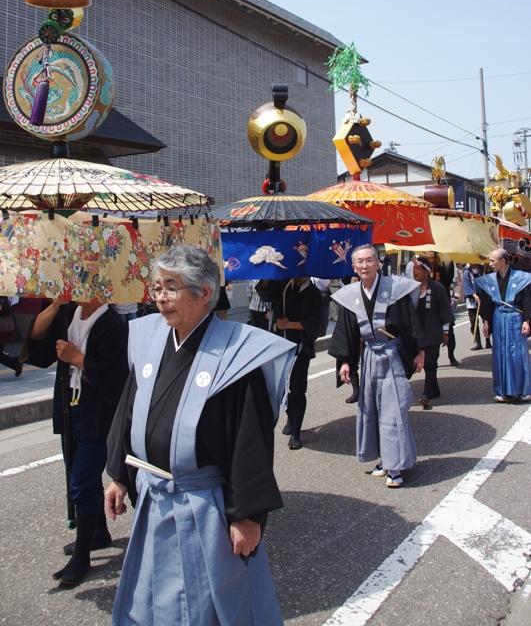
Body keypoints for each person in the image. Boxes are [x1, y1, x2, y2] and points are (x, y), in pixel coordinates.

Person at [105, 246, 296, 626]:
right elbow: (129, 410)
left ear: (204, 292)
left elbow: (250, 441)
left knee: (207, 603)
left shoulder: (237, 354)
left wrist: (247, 516)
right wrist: (119, 475)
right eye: (157, 287)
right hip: (155, 500)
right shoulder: (148, 339)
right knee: (152, 598)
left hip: (204, 506)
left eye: (171, 288)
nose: (161, 298)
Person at [26, 299, 128, 587]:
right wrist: (54, 305)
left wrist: (79, 359)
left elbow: (117, 380)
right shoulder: (68, 313)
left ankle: (82, 554)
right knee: (76, 470)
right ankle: (98, 533)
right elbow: (36, 341)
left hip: (98, 413)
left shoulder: (112, 324)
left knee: (82, 479)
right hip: (69, 407)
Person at [328, 244, 425, 488]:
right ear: (353, 267)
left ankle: (395, 467)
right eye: (359, 262)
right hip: (370, 356)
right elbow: (346, 332)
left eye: (369, 260)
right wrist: (346, 362)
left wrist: (420, 352)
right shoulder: (350, 295)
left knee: (394, 411)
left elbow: (412, 323)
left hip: (392, 355)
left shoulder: (395, 289)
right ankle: (384, 459)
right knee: (372, 411)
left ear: (378, 263)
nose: (365, 265)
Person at [257, 277, 322, 449]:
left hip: (301, 348)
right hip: (279, 346)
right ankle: (290, 418)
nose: (299, 276)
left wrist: (290, 324)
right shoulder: (283, 285)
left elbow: (317, 324)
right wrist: (267, 276)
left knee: (297, 389)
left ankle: (296, 433)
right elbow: (265, 295)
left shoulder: (314, 293)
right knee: (281, 387)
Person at [475, 248, 531, 403]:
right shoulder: (489, 280)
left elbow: (527, 300)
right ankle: (503, 391)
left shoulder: (522, 278)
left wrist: (527, 320)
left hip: (515, 318)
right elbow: (487, 303)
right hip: (498, 317)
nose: (490, 264)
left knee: (517, 353)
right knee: (500, 354)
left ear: (503, 261)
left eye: (493, 260)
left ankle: (522, 390)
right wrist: (486, 321)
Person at [412, 256, 454, 409]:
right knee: (417, 363)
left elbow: (445, 311)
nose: (414, 271)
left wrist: (445, 332)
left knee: (430, 364)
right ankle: (434, 390)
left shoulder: (437, 288)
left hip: (433, 332)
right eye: (414, 268)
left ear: (427, 271)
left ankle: (427, 394)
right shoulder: (411, 288)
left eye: (418, 268)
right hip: (416, 334)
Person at [437, 258, 459, 366]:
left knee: (449, 331)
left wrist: (445, 262)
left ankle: (451, 355)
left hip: (444, 298)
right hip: (429, 301)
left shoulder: (447, 261)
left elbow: (448, 280)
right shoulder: (426, 263)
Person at [463, 265, 483, 350]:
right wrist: (474, 295)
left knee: (487, 319)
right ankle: (478, 343)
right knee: (474, 321)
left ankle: (488, 340)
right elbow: (467, 286)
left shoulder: (482, 269)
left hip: (483, 298)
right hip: (472, 300)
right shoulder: (467, 272)